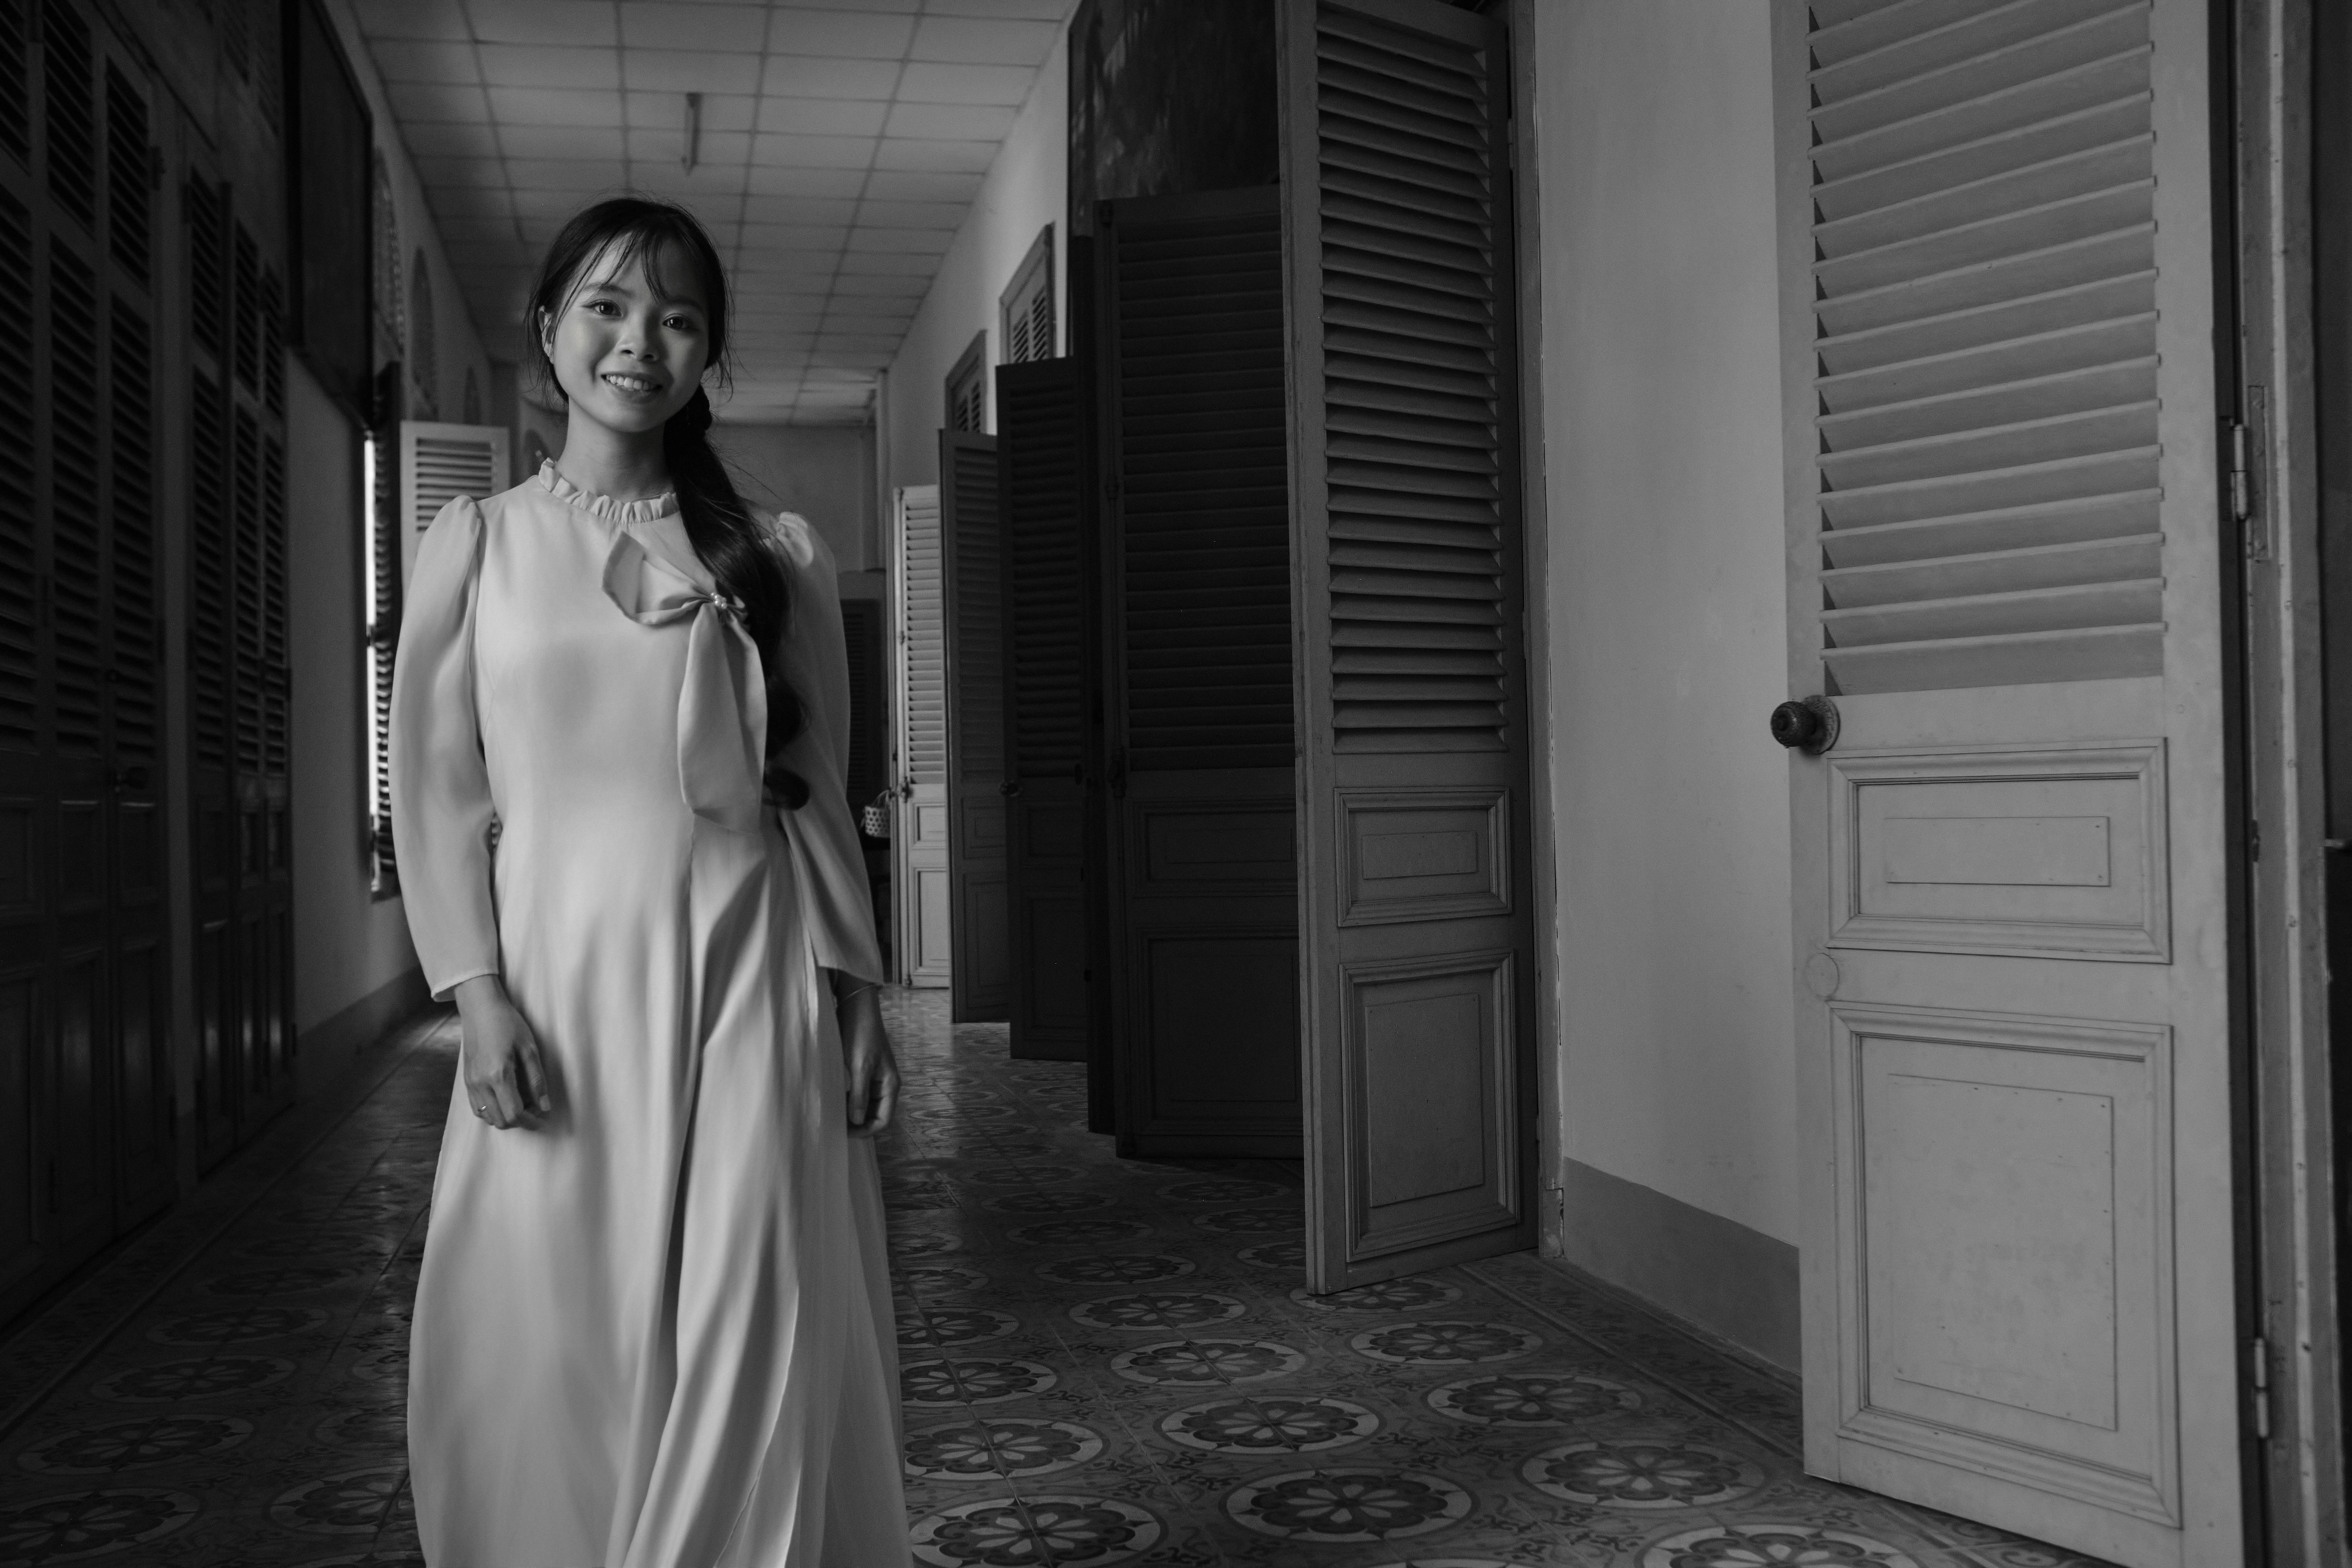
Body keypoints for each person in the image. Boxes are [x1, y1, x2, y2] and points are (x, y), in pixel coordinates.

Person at [390, 195, 906, 1567]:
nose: (640, 342)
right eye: (609, 308)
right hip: (561, 991)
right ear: (548, 328)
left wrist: (857, 996)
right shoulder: (478, 548)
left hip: (753, 977)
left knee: (749, 1313)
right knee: (552, 1331)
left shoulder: (774, 557)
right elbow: (440, 793)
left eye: (678, 319)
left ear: (707, 356)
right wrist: (475, 993)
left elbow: (818, 803)